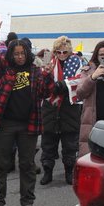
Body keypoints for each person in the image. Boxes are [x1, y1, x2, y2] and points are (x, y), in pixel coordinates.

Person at [0, 14, 54, 206]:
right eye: (16, 53)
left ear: (28, 54)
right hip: (4, 124)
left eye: (23, 53)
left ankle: (27, 201)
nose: (20, 56)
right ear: (11, 55)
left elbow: (46, 93)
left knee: (27, 165)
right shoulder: (4, 69)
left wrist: (48, 75)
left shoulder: (36, 72)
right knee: (1, 166)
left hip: (28, 126)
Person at [40, 36, 84, 187]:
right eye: (59, 51)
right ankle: (47, 171)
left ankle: (69, 171)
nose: (62, 54)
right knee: (48, 143)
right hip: (50, 106)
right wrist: (47, 76)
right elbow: (42, 83)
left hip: (69, 106)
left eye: (65, 51)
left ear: (69, 51)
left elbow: (80, 79)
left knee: (70, 144)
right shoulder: (49, 62)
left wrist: (64, 85)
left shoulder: (77, 61)